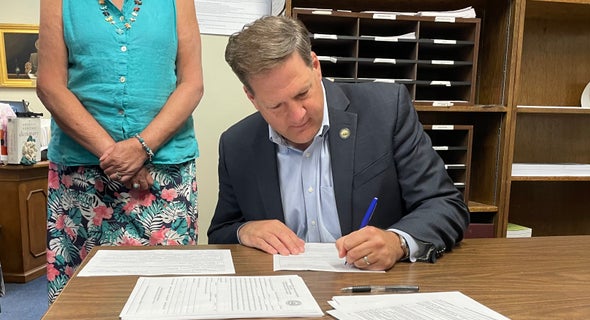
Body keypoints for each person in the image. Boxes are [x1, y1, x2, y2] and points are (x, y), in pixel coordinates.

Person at [207, 15, 469, 271]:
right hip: (285, 292)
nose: (298, 116)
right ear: (252, 98)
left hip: (374, 289)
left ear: (315, 65)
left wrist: (398, 241)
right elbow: (221, 231)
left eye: (302, 93)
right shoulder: (236, 145)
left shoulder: (386, 111)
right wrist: (245, 231)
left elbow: (445, 204)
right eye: (276, 105)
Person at [37, 0, 203, 303]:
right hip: (81, 176)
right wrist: (116, 155)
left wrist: (142, 147)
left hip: (164, 174)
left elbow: (191, 84)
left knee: (168, 294)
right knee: (86, 299)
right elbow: (50, 85)